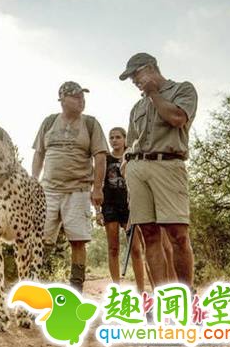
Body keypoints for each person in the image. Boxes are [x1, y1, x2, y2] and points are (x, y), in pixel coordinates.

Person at [119, 52, 198, 289]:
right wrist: (126, 162)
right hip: (137, 168)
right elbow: (132, 140)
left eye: (136, 73)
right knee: (149, 235)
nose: (133, 80)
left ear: (151, 68)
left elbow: (177, 118)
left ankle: (186, 298)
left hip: (168, 164)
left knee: (178, 235)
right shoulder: (137, 107)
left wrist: (153, 93)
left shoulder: (183, 89)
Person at [31, 81, 108, 293]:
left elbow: (100, 157)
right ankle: (32, 283)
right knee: (40, 239)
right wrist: (33, 181)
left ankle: (76, 289)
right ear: (62, 99)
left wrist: (98, 188)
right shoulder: (49, 122)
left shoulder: (90, 124)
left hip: (79, 190)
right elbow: (39, 153)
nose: (81, 101)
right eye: (75, 97)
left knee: (78, 240)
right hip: (48, 191)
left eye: (82, 97)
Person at [96, 127, 146, 293]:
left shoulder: (131, 156)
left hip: (130, 206)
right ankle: (116, 289)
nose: (114, 140)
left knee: (136, 249)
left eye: (118, 137)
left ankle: (141, 290)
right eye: (111, 137)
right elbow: (96, 184)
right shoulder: (105, 159)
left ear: (125, 139)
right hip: (109, 205)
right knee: (113, 248)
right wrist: (98, 210)